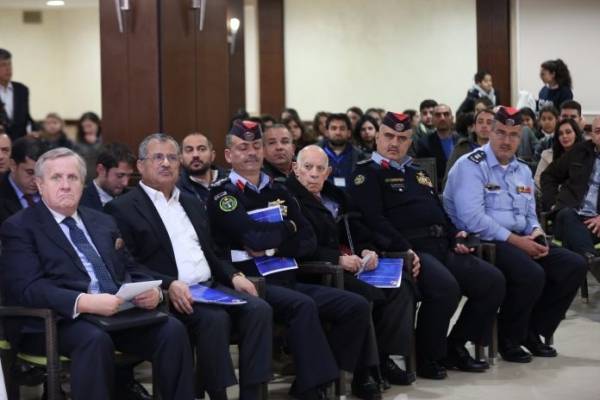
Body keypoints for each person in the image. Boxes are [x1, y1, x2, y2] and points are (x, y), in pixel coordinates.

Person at [0, 147, 194, 400]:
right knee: (94, 339)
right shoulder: (19, 227)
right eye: (56, 178)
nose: (66, 185)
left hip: (115, 314)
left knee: (172, 330)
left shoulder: (102, 221)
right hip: (55, 321)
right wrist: (83, 302)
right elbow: (28, 287)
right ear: (40, 184)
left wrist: (153, 290)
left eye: (72, 177)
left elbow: (130, 267)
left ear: (83, 183)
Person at [207, 120, 381, 400]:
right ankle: (313, 389)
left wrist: (273, 246)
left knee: (356, 306)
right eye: (242, 147)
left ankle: (317, 380)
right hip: (253, 283)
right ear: (229, 155)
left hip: (289, 277)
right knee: (303, 305)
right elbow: (253, 237)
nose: (251, 152)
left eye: (255, 146)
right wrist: (288, 229)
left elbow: (308, 240)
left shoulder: (278, 191)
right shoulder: (223, 194)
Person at [105, 133, 272, 400]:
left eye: (172, 157)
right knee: (214, 319)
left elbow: (211, 252)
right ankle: (217, 395)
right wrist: (168, 284)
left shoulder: (191, 202)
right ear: (140, 165)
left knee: (259, 309)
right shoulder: (122, 208)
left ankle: (251, 395)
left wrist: (234, 275)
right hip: (170, 294)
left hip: (209, 286)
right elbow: (128, 264)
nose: (166, 163)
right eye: (158, 157)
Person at [349, 112, 505, 380]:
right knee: (446, 288)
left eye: (402, 138)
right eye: (389, 136)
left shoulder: (417, 172)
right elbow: (374, 220)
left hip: (441, 246)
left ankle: (454, 346)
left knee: (492, 281)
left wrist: (455, 235)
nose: (394, 143)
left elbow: (438, 211)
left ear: (410, 142)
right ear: (377, 138)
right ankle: (427, 356)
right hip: (409, 250)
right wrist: (405, 248)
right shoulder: (366, 174)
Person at [444, 106, 587, 363]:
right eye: (501, 132)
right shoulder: (471, 166)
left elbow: (530, 213)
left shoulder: (522, 170)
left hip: (520, 238)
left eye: (513, 135)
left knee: (573, 264)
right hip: (483, 240)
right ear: (490, 132)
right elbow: (472, 219)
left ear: (520, 137)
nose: (506, 140)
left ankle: (532, 330)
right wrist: (518, 242)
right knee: (530, 273)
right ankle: (508, 339)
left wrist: (537, 233)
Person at [286, 145, 419, 387]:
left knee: (402, 287)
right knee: (366, 296)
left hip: (353, 266)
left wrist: (367, 250)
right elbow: (296, 245)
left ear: (328, 172)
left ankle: (383, 359)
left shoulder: (336, 195)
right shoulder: (287, 197)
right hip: (318, 271)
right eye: (308, 167)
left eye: (320, 169)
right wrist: (336, 259)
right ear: (296, 168)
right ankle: (364, 371)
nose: (314, 174)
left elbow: (357, 228)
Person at [540, 117, 600, 273]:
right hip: (571, 214)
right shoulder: (580, 151)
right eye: (598, 131)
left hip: (596, 222)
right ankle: (593, 262)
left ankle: (589, 261)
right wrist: (552, 202)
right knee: (566, 216)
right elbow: (548, 176)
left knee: (572, 236)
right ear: (592, 135)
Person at [0, 137, 46, 224]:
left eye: (40, 173)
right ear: (13, 165)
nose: (36, 181)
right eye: (30, 172)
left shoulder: (52, 190)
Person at [444, 108, 494, 186]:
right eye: (480, 122)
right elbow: (449, 179)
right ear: (474, 127)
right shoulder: (461, 148)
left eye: (489, 123)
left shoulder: (501, 151)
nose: (484, 126)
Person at [416, 104, 459, 191]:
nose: (442, 118)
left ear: (452, 118)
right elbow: (421, 173)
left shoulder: (462, 141)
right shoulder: (424, 143)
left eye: (446, 114)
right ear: (432, 119)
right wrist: (428, 193)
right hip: (437, 191)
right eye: (438, 115)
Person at [80, 143, 135, 211]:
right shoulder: (80, 199)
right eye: (120, 176)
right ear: (101, 170)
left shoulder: (132, 198)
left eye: (129, 176)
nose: (125, 183)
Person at [177, 132, 228, 205]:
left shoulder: (230, 180)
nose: (195, 155)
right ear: (181, 158)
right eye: (189, 150)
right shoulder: (176, 189)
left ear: (212, 155)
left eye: (202, 149)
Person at [534, 118, 582, 191]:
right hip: (551, 194)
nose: (564, 136)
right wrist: (556, 189)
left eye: (568, 132)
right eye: (560, 134)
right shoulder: (547, 155)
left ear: (576, 134)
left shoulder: (585, 155)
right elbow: (537, 180)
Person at [320, 113, 366, 189]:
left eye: (342, 128)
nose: (338, 132)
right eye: (334, 128)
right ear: (327, 132)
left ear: (349, 133)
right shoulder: (315, 153)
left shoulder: (360, 156)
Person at [0, 49, 33, 140]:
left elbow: (26, 118)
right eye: (3, 65)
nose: (8, 68)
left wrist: (35, 129)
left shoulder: (22, 90)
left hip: (20, 142)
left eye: (9, 64)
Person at [74, 112, 103, 182]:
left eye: (89, 126)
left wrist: (95, 143)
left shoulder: (104, 140)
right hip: (83, 179)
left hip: (100, 179)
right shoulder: (77, 143)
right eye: (84, 127)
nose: (87, 130)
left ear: (97, 125)